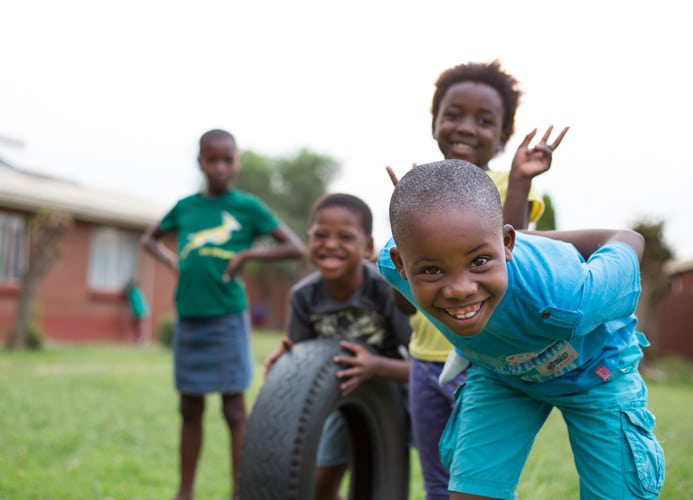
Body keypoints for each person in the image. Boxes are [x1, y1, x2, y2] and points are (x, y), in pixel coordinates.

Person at [378, 160, 665, 499]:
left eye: (480, 261)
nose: (460, 289)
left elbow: (628, 239)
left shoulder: (572, 294)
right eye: (432, 270)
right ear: (401, 265)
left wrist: (534, 238)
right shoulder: (394, 266)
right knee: (472, 492)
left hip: (597, 371)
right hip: (504, 376)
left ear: (508, 244)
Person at [386, 60, 568, 500]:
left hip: (485, 364)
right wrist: (404, 226)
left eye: (484, 120)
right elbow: (406, 301)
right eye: (453, 114)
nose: (466, 127)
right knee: (435, 479)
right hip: (425, 361)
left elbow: (517, 256)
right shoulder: (416, 195)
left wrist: (522, 181)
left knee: (479, 481)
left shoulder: (507, 185)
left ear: (504, 135)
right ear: (434, 123)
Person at [141, 129, 305, 500]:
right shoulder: (185, 207)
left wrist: (248, 255)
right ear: (200, 162)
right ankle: (185, 492)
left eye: (227, 159)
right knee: (189, 408)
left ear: (237, 162)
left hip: (227, 319)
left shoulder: (247, 207)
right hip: (190, 318)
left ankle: (239, 491)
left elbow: (294, 247)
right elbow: (149, 238)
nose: (219, 167)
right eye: (211, 160)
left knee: (234, 410)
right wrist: (171, 261)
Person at [264, 193, 411, 500]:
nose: (330, 244)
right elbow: (302, 368)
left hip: (394, 391)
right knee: (321, 486)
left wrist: (377, 367)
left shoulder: (386, 291)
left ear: (368, 247)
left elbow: (423, 366)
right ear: (308, 240)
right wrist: (285, 367)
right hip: (339, 392)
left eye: (345, 237)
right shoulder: (303, 296)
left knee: (413, 469)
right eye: (320, 236)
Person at [125, 278, 150, 343]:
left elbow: (137, 303)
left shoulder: (133, 292)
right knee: (138, 325)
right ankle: (139, 338)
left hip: (141, 311)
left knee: (141, 325)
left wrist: (135, 312)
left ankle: (142, 339)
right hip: (139, 310)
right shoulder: (135, 291)